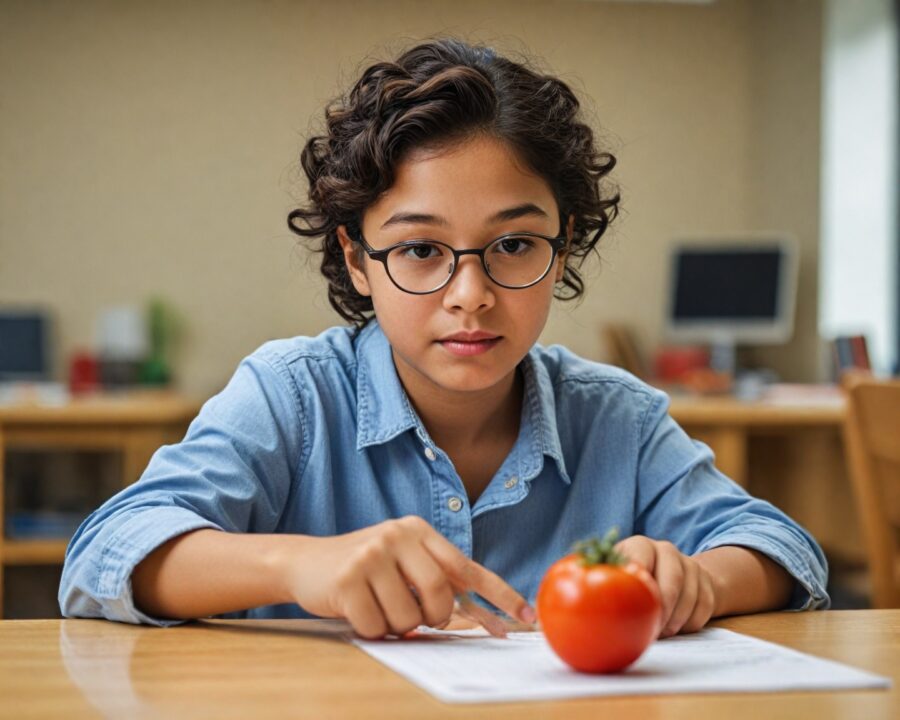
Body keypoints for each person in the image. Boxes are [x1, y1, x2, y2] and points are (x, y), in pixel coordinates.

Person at [59, 38, 829, 640]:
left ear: (561, 251)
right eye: (422, 250)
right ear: (359, 260)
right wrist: (298, 564)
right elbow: (106, 553)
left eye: (516, 245)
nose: (472, 296)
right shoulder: (290, 396)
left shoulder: (616, 419)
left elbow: (779, 547)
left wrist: (697, 580)